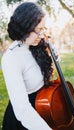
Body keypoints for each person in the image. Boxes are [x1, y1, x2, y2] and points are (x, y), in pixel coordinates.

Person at [1, 2, 53, 130]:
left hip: (43, 105)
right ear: (24, 28)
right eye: (38, 30)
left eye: (43, 29)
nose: (41, 35)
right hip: (24, 119)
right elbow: (23, 109)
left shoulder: (35, 44)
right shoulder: (11, 58)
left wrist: (53, 56)